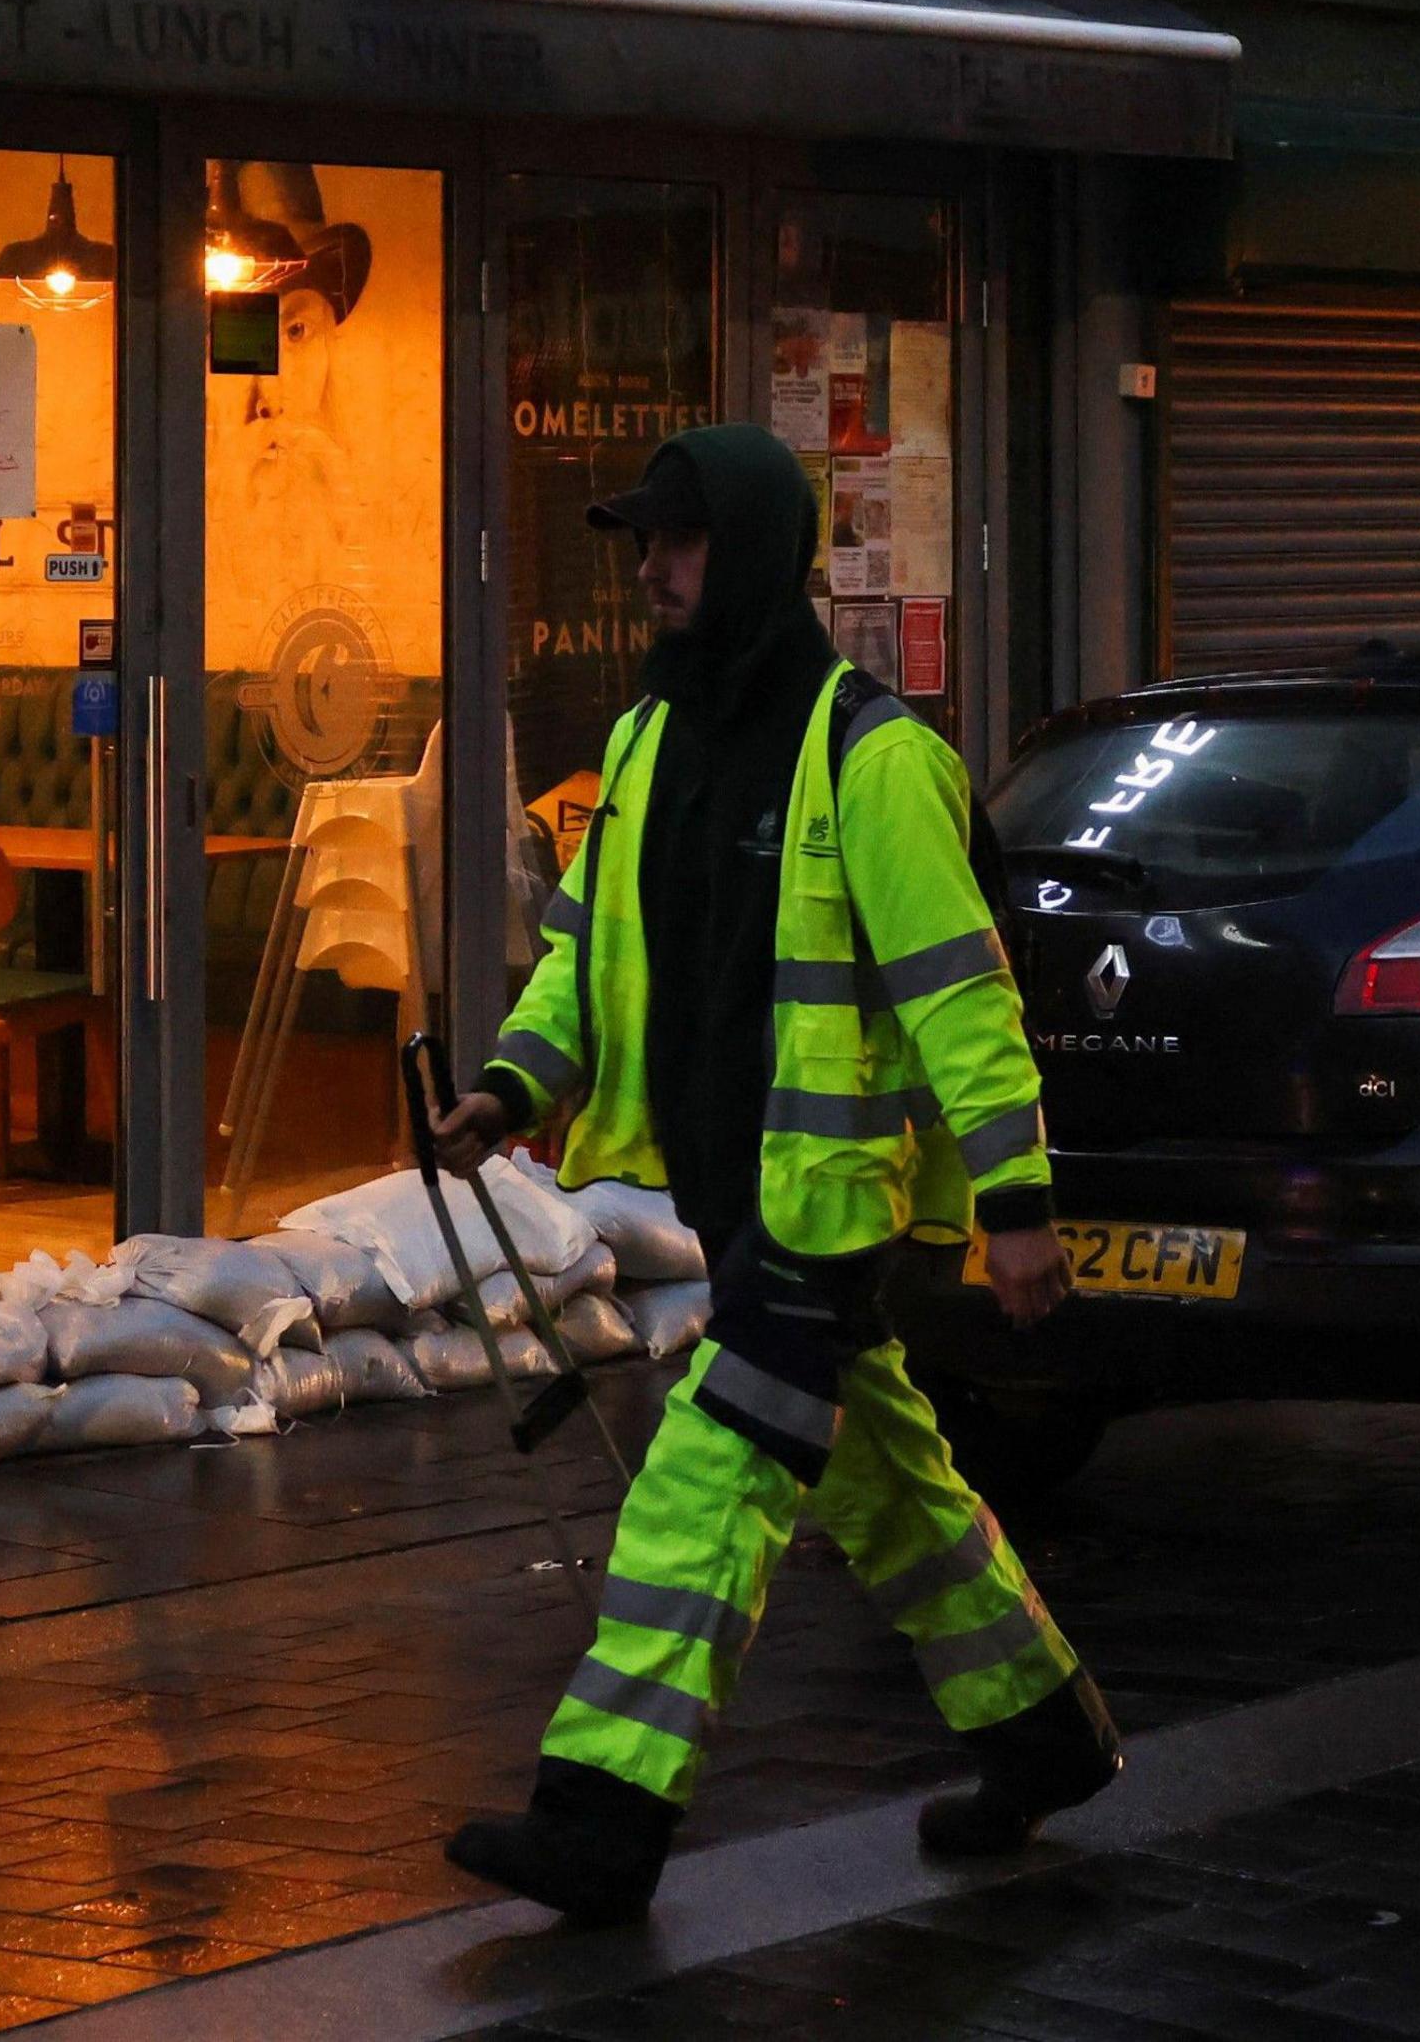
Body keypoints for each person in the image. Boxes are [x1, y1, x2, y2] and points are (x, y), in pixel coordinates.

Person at [435, 422, 1119, 1926]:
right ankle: (1043, 1741)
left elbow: (962, 996)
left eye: (678, 544)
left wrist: (1015, 1206)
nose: (654, 573)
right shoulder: (641, 742)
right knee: (894, 1495)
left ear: (747, 552)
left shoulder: (873, 759)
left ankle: (601, 1823)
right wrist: (512, 1083)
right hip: (731, 1197)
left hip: (830, 1211)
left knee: (703, 1482)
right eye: (642, 546)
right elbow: (585, 954)